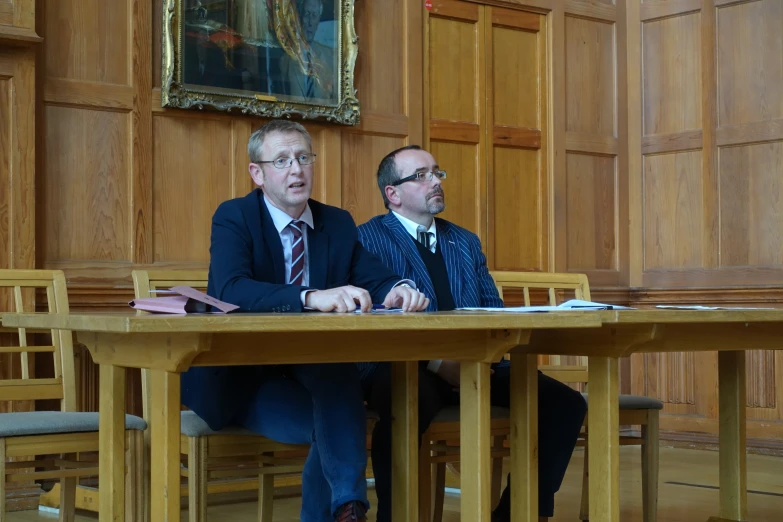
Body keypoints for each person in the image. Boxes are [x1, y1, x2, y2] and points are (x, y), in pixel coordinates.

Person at [181, 121, 430, 522]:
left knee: (337, 377)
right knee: (335, 420)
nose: (297, 170)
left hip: (313, 372)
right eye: (282, 160)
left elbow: (373, 275)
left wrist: (397, 288)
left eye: (303, 158)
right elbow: (231, 290)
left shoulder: (335, 222)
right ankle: (349, 508)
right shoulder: (235, 216)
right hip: (245, 377)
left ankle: (349, 509)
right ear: (257, 173)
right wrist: (310, 296)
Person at [357, 145, 587, 522]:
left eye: (437, 172)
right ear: (392, 194)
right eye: (421, 175)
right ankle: (394, 515)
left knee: (565, 404)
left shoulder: (464, 242)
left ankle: (516, 513)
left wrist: (484, 354)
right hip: (405, 365)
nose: (435, 181)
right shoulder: (366, 239)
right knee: (404, 401)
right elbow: (373, 322)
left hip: (477, 363)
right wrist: (436, 363)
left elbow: (491, 310)